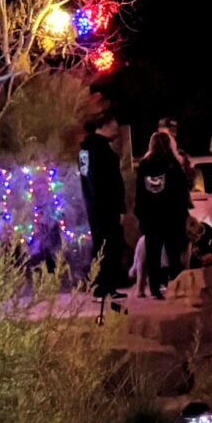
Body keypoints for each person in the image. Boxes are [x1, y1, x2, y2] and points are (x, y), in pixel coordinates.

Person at [133, 128, 191, 298]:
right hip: (171, 216)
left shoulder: (144, 165)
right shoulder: (173, 164)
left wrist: (140, 213)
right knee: (173, 253)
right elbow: (181, 192)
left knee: (153, 254)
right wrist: (183, 213)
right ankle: (175, 285)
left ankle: (154, 288)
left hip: (151, 216)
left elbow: (140, 192)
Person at [78, 111, 129, 298]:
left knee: (100, 246)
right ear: (104, 125)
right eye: (113, 125)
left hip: (94, 207)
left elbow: (88, 179)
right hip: (106, 208)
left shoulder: (85, 151)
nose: (116, 129)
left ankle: (99, 285)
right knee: (109, 247)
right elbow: (110, 183)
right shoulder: (101, 151)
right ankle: (106, 286)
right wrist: (118, 208)